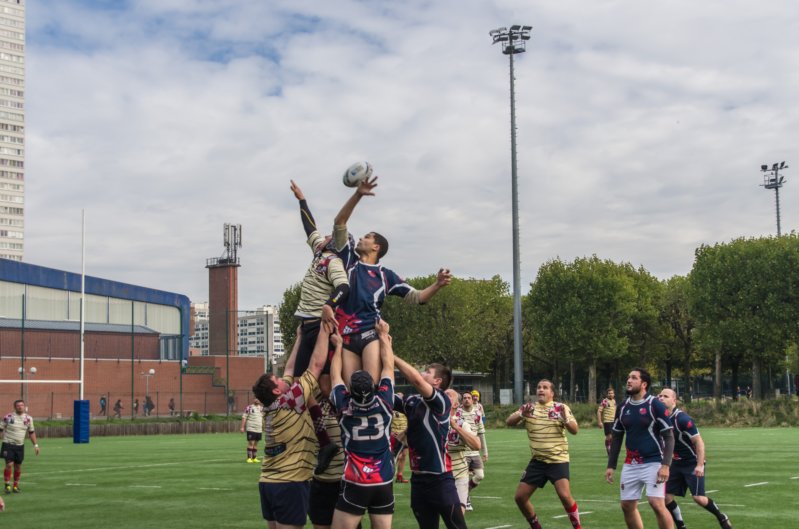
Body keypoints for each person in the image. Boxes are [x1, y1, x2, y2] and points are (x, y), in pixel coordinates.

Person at [332, 179, 452, 385]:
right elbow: (339, 223)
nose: (360, 238)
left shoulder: (385, 275)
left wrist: (437, 284)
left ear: (376, 247)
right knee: (352, 389)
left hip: (371, 333)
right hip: (346, 336)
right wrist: (358, 195)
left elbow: (417, 297)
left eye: (367, 237)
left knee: (372, 385)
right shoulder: (348, 260)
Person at [289, 180, 351, 472]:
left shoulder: (333, 261)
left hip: (317, 326)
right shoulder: (318, 252)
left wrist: (331, 304)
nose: (323, 235)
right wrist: (302, 200)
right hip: (310, 325)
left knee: (303, 385)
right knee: (322, 385)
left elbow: (344, 288)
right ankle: (338, 436)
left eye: (329, 236)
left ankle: (330, 439)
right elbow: (308, 226)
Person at [251, 314, 333, 529]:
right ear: (277, 390)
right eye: (277, 380)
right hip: (289, 483)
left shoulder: (271, 407)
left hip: (267, 482)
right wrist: (324, 330)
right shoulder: (292, 399)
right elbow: (315, 365)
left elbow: (288, 369)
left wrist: (299, 338)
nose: (283, 378)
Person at [329, 319, 396, 529]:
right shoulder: (385, 402)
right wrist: (384, 337)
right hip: (383, 480)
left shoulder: (343, 404)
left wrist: (339, 346)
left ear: (349, 389)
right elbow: (388, 366)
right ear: (374, 387)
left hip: (356, 480)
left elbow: (334, 375)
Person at [393, 356, 466, 529]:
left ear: (437, 381)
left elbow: (417, 380)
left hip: (440, 480)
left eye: (427, 371)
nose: (422, 373)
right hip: (418, 481)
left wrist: (391, 355)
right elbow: (386, 396)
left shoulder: (441, 400)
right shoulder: (412, 401)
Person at [606, 368, 675, 529]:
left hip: (654, 462)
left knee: (657, 503)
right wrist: (611, 465)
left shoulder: (655, 404)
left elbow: (669, 437)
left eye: (634, 378)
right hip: (631, 463)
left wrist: (665, 465)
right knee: (627, 506)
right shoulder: (622, 406)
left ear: (643, 384)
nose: (629, 380)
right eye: (628, 377)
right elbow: (617, 437)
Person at [507, 380, 582, 529]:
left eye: (545, 388)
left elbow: (575, 430)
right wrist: (521, 414)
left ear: (552, 393)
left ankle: (578, 527)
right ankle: (536, 526)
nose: (541, 390)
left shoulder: (561, 408)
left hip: (557, 460)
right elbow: (509, 422)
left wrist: (565, 420)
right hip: (538, 461)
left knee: (565, 496)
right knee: (520, 498)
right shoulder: (528, 408)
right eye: (539, 387)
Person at [657, 388, 733, 529]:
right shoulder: (659, 418)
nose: (661, 398)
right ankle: (681, 526)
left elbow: (699, 442)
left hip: (692, 463)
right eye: (659, 396)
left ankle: (722, 518)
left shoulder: (683, 419)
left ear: (674, 400)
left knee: (698, 498)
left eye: (665, 396)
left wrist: (700, 465)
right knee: (666, 497)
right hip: (674, 463)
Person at [446, 390, 481, 515]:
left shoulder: (462, 424)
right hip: (438, 476)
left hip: (459, 474)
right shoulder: (432, 421)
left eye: (448, 396)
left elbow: (477, 445)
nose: (443, 396)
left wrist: (456, 427)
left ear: (456, 405)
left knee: (457, 517)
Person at [1, 400, 40, 494]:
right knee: (9, 464)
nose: (20, 407)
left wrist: (36, 445)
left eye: (22, 405)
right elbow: (1, 429)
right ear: (15, 407)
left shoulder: (28, 418)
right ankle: (7, 485)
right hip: (8, 444)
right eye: (18, 405)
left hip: (20, 446)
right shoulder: (8, 417)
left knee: (18, 466)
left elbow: (31, 432)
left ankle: (15, 486)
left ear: (24, 407)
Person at [459, 391, 487, 511]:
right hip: (462, 452)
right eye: (464, 398)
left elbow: (481, 433)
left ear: (472, 400)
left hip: (475, 452)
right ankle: (466, 501)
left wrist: (485, 452)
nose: (466, 400)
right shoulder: (458, 414)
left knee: (480, 475)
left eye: (468, 398)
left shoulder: (477, 414)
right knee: (463, 478)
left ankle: (466, 492)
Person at [390, 402, 409, 484]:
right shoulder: (391, 410)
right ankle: (391, 473)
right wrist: (390, 432)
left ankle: (399, 475)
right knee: (397, 456)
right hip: (395, 436)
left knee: (404, 455)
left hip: (404, 435)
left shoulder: (407, 411)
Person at [241, 398, 264, 463]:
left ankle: (254, 458)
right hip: (251, 428)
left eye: (258, 399)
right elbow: (244, 417)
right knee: (251, 443)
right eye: (256, 399)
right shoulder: (249, 407)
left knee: (256, 444)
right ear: (253, 400)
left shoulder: (261, 408)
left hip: (259, 429)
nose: (257, 400)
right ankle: (249, 458)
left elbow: (263, 418)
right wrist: (242, 427)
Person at [597, 387, 617, 455]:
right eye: (609, 393)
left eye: (612, 393)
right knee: (609, 437)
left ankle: (610, 448)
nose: (610, 394)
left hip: (614, 421)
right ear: (607, 394)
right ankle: (608, 448)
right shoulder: (604, 401)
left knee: (613, 437)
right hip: (607, 421)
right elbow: (599, 411)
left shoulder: (614, 401)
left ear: (614, 394)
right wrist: (599, 422)